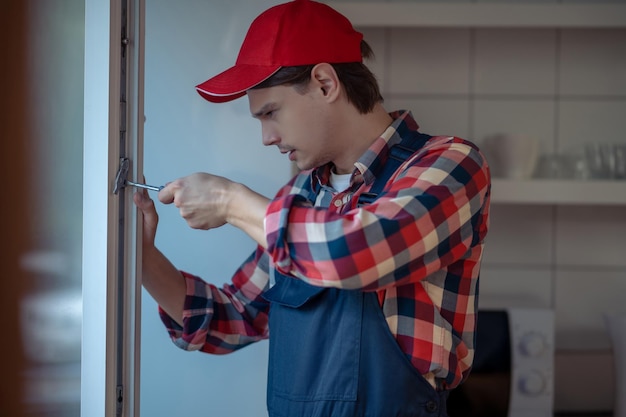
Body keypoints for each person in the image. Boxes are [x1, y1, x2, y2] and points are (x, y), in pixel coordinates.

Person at [133, 1, 491, 416]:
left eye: (271, 112)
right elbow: (230, 317)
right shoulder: (300, 195)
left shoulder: (450, 164)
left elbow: (356, 252)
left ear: (324, 83)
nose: (266, 137)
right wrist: (142, 258)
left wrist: (231, 202)